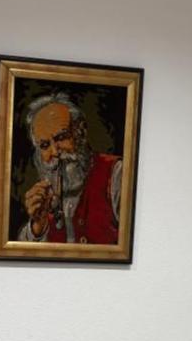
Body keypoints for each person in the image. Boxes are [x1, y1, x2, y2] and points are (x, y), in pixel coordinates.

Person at [18, 93, 122, 244]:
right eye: (45, 145)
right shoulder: (44, 197)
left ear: (81, 132)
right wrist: (37, 227)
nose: (55, 152)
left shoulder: (116, 173)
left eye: (61, 138)